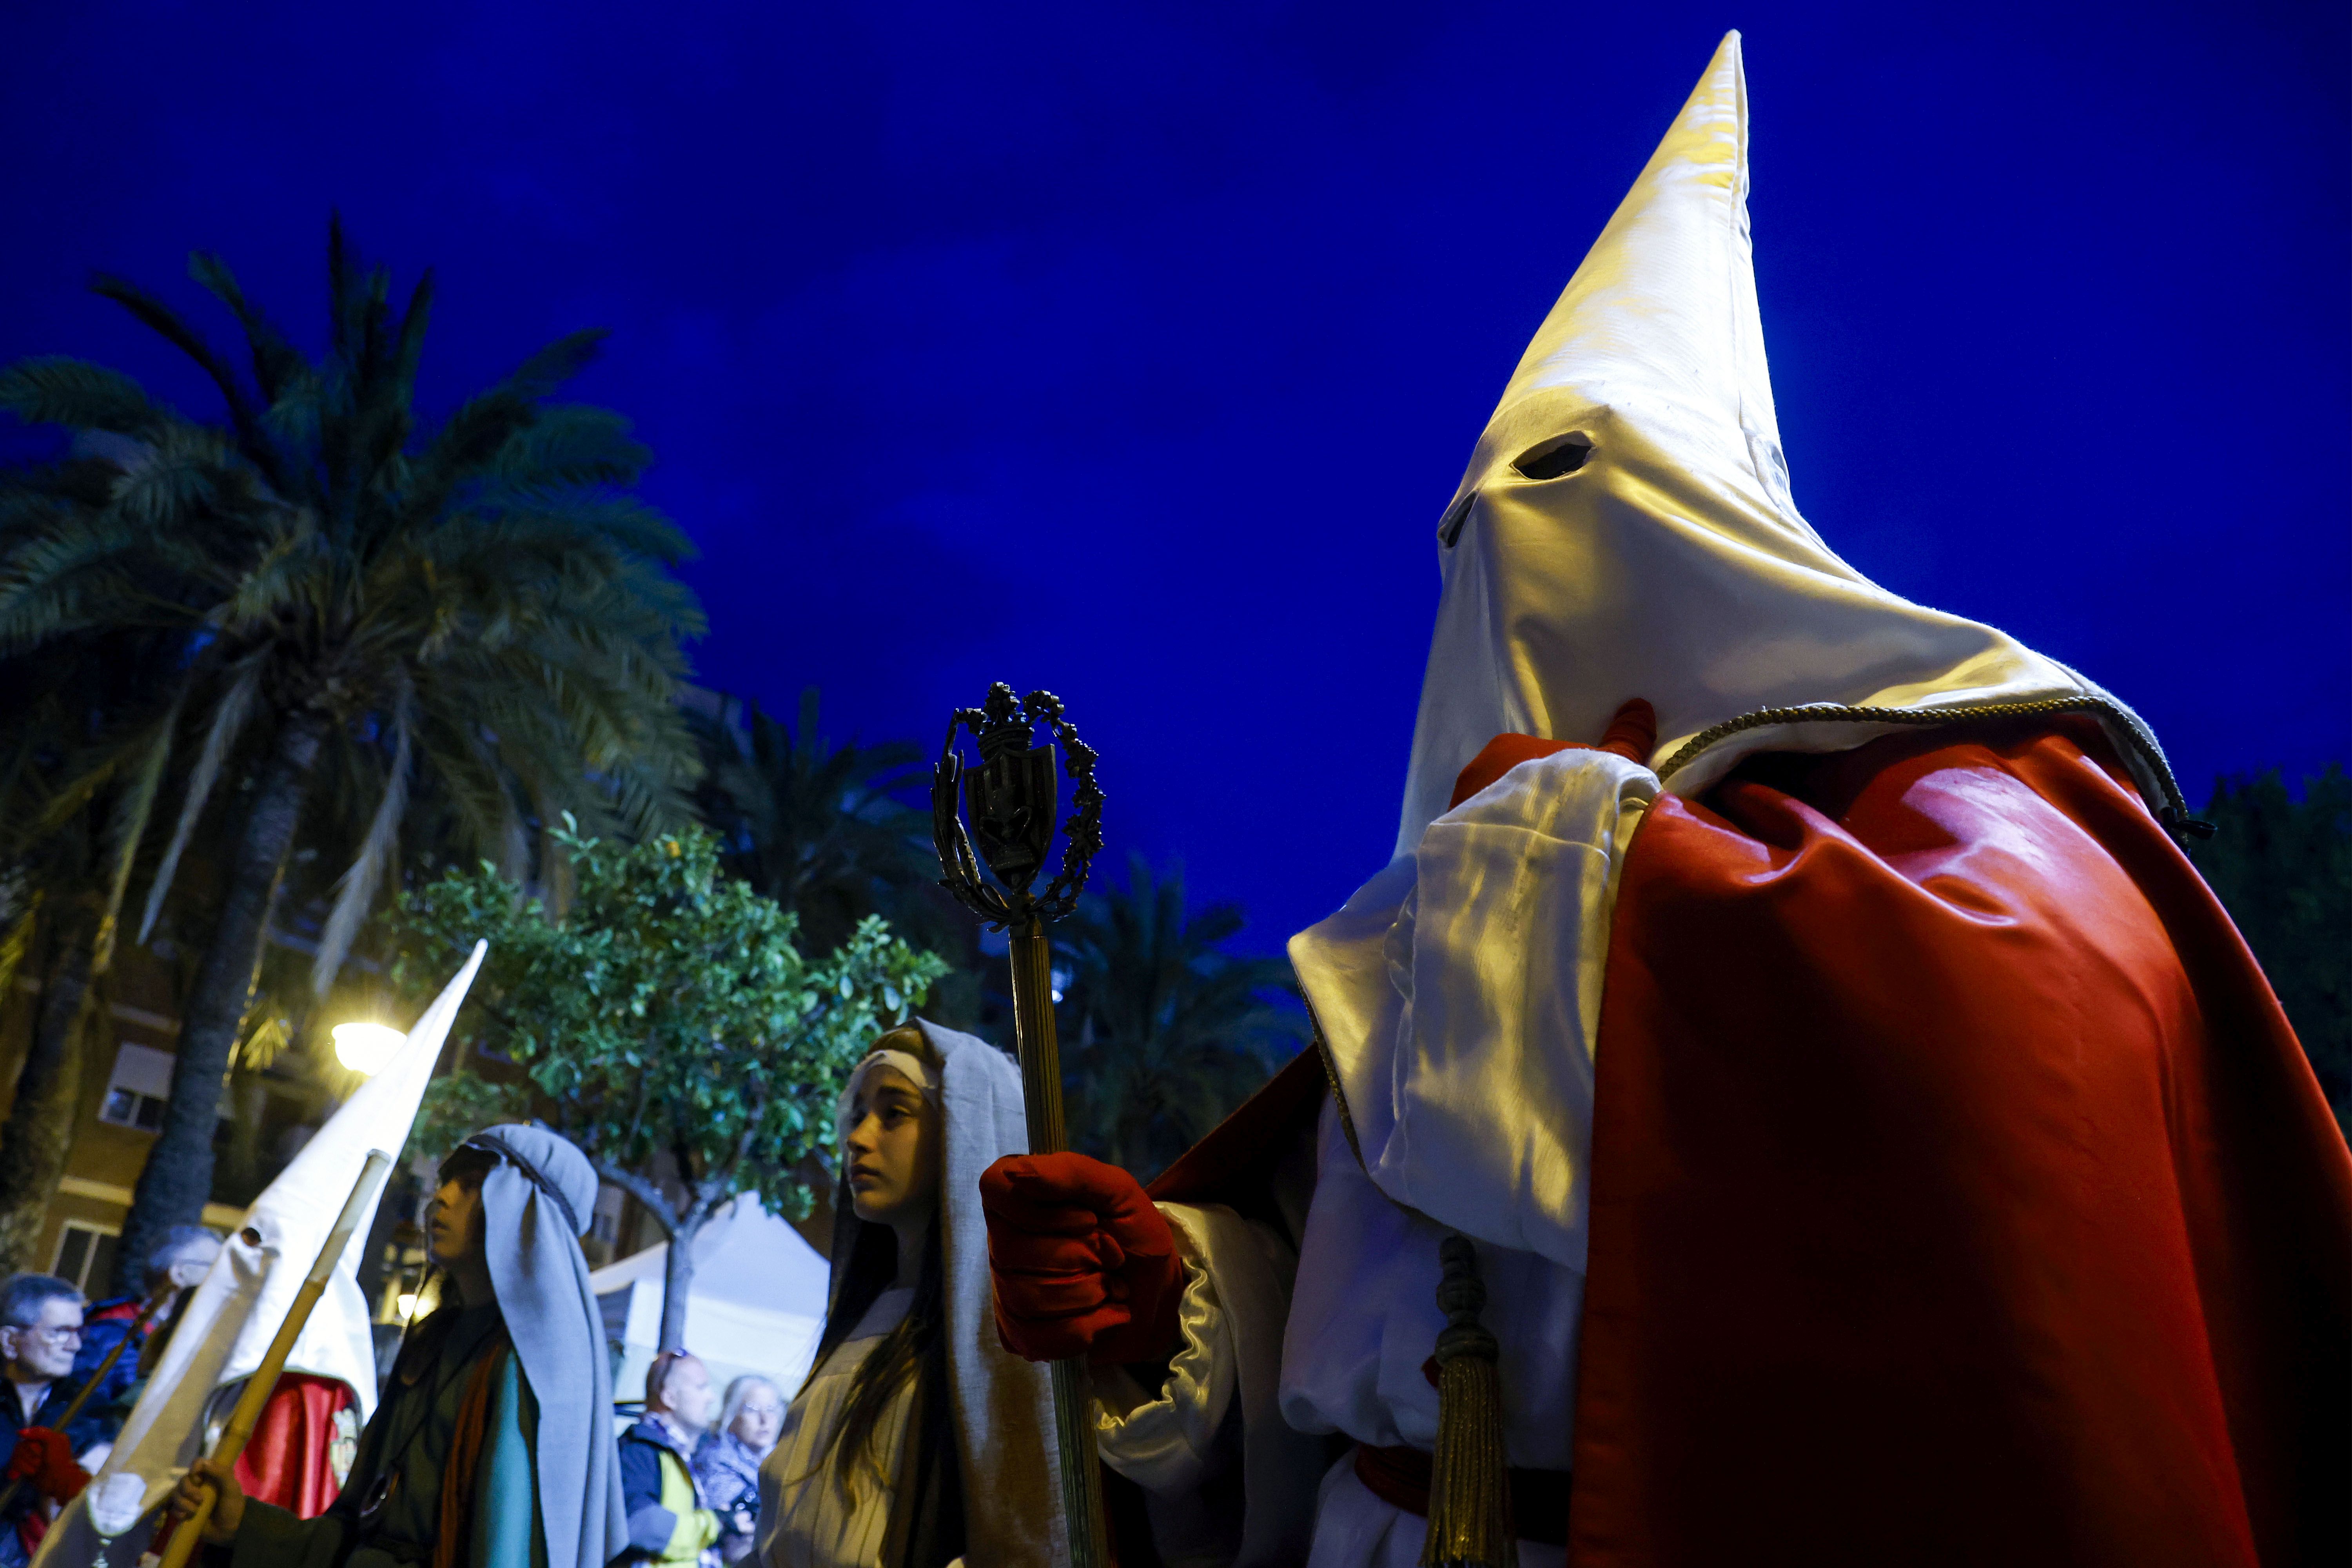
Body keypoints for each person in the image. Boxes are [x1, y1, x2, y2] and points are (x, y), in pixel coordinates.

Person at [980, 31, 2352, 1568]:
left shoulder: (1945, 817)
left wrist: (1603, 869)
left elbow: (2028, 1064)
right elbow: (1364, 1311)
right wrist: (1182, 1298)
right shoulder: (1433, 900)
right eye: (1472, 523)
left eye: (1571, 476)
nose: (1507, 545)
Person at [168, 1124, 629, 1568]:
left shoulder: (530, 1369)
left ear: (524, 1215)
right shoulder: (433, 1346)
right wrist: (244, 1526)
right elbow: (356, 1535)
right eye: (446, 1181)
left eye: (470, 1185)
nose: (441, 1199)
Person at [757, 1022, 1061, 1568]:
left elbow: (1025, 1536)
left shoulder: (1004, 1345)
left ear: (964, 1132)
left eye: (894, 1113)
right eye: (858, 1115)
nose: (857, 1137)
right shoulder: (860, 1320)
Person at [71, 1226, 221, 1460]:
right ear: (179, 1275)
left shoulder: (189, 1339)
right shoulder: (111, 1338)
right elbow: (79, 1420)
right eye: (215, 1269)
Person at [0, 1276, 96, 1568]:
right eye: (60, 1333)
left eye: (79, 1332)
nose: (75, 1345)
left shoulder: (87, 1409)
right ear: (9, 1340)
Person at [620, 1351, 730, 1566]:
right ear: (670, 1398)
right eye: (701, 1388)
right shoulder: (639, 1451)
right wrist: (714, 1524)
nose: (711, 1398)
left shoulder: (678, 1453)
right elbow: (641, 1525)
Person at [694, 1377, 782, 1566]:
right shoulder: (716, 1460)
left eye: (771, 1409)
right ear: (731, 1415)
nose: (764, 1420)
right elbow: (736, 1535)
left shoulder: (783, 1462)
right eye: (751, 1409)